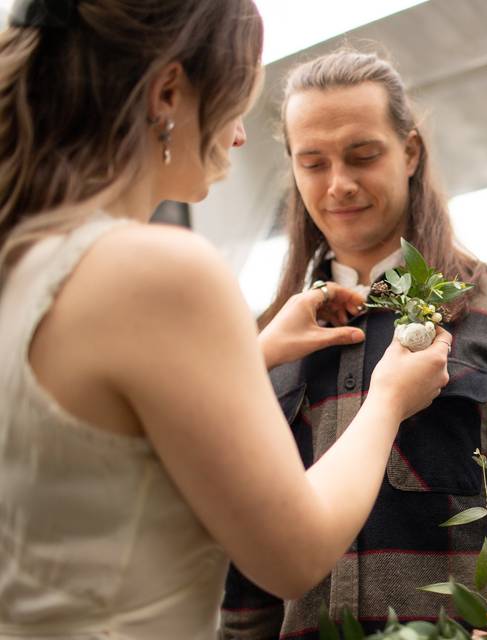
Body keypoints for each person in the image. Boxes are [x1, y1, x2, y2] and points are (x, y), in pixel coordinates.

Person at [0, 3, 450, 639]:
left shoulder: (21, 264)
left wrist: (252, 351)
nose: (239, 136)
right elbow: (294, 556)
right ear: (167, 94)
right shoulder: (160, 272)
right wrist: (388, 398)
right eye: (238, 99)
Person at [220, 49, 487, 639]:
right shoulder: (265, 342)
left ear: (410, 151)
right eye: (312, 163)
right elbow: (247, 568)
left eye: (363, 155)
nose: (339, 184)